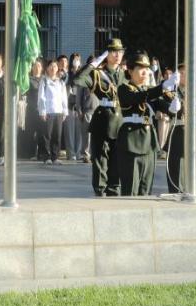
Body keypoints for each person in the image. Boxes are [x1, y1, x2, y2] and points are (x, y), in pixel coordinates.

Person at [116, 51, 177, 196]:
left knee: (146, 188)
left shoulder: (149, 91)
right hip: (131, 142)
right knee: (130, 189)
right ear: (130, 71)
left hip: (149, 143)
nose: (145, 72)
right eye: (140, 68)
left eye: (146, 69)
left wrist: (175, 106)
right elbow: (138, 97)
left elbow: (165, 107)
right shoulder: (124, 89)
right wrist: (162, 87)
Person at [74, 38, 128, 196]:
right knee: (100, 156)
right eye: (113, 52)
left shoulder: (125, 75)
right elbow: (78, 79)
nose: (117, 55)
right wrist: (93, 64)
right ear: (106, 54)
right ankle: (100, 188)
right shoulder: (97, 74)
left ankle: (114, 187)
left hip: (119, 120)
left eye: (120, 52)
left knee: (117, 157)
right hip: (103, 118)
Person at [166, 64, 196, 194]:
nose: (185, 76)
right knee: (178, 173)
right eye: (182, 73)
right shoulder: (172, 90)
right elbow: (169, 107)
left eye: (188, 73)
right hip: (180, 134)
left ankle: (194, 193)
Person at [38, 59, 69, 165]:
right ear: (47, 68)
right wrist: (42, 111)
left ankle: (55, 157)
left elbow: (64, 98)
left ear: (57, 68)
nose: (53, 68)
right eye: (50, 66)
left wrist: (65, 111)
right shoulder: (44, 81)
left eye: (55, 66)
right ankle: (47, 157)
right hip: (48, 112)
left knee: (57, 135)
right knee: (47, 135)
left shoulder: (61, 82)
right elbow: (41, 97)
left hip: (59, 111)